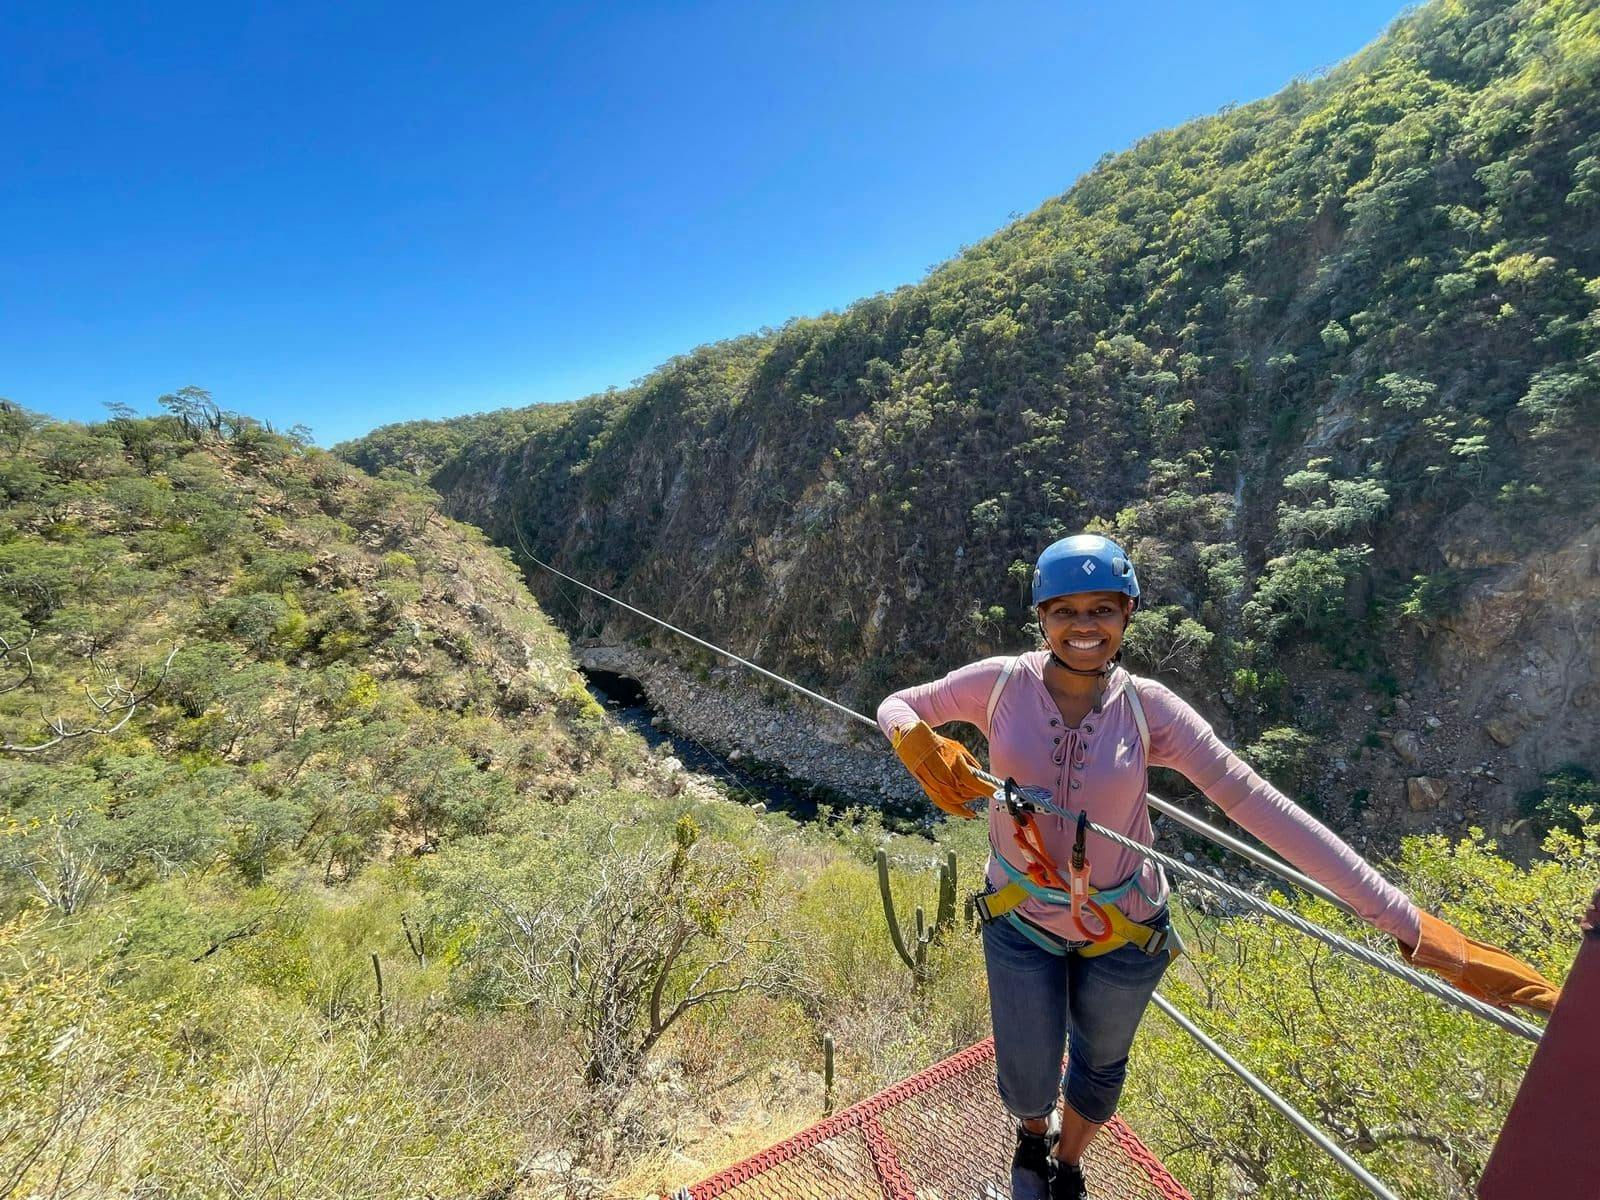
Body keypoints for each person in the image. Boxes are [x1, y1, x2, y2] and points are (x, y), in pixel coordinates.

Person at [877, 533, 1560, 1200]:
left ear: (1127, 615)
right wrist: (917, 742)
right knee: (1026, 1074)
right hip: (1020, 918)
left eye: (1102, 610)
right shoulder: (998, 686)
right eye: (1065, 612)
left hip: (1125, 926)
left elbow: (1258, 804)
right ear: (1042, 619)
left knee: (1100, 1069)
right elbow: (900, 703)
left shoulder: (1151, 711)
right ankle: (1033, 1136)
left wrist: (1408, 924)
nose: (1083, 626)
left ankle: (1072, 1164)